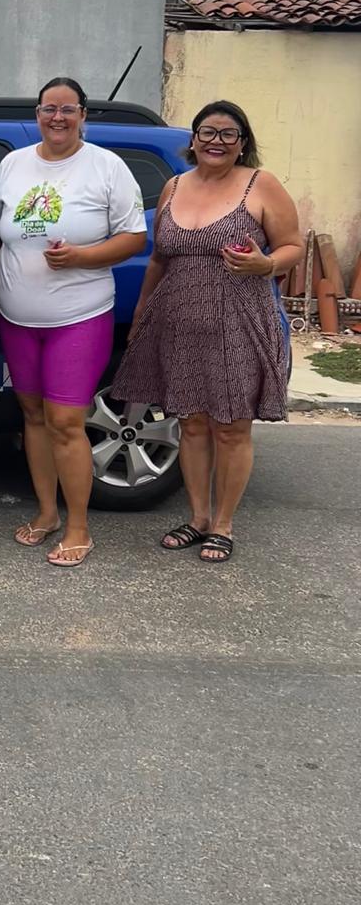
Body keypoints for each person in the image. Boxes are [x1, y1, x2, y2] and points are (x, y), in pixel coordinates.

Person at [111, 100, 302, 563]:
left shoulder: (261, 184)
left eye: (228, 133)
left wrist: (266, 264)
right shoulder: (174, 186)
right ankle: (197, 518)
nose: (216, 141)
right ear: (193, 140)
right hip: (177, 321)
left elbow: (293, 245)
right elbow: (159, 260)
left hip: (238, 320)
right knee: (191, 423)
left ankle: (223, 525)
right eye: (207, 132)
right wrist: (141, 315)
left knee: (232, 427)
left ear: (242, 142)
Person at [0, 76, 147, 566]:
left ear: (82, 115)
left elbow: (134, 237)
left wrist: (80, 257)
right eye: (49, 109)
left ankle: (78, 528)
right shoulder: (13, 164)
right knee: (32, 416)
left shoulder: (106, 166)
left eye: (68, 109)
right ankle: (47, 513)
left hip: (79, 315)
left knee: (66, 422)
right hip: (17, 316)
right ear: (37, 114)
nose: (57, 117)